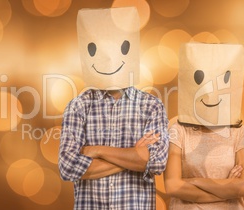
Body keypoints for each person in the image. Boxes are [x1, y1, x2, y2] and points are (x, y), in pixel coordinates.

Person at [58, 7, 169, 209]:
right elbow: (67, 168)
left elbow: (157, 162)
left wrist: (96, 150)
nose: (109, 59)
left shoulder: (152, 106)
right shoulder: (78, 107)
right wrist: (134, 155)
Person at [164, 43, 244, 209]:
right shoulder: (177, 128)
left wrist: (192, 182)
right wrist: (226, 186)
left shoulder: (239, 132)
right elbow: (172, 185)